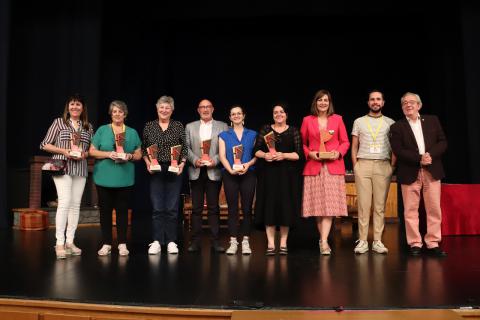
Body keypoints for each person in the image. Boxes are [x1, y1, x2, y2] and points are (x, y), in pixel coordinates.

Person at [389, 92, 447, 257]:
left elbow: (443, 142)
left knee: (434, 208)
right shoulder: (396, 127)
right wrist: (419, 159)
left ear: (419, 105)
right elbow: (398, 150)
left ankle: (433, 242)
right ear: (402, 107)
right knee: (410, 210)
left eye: (412, 102)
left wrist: (430, 155)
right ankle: (415, 243)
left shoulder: (432, 120)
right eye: (405, 103)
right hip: (409, 171)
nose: (408, 105)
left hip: (432, 170)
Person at [40, 94, 93, 259]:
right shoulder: (59, 122)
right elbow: (45, 144)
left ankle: (70, 242)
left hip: (80, 168)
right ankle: (59, 243)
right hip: (62, 166)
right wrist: (64, 151)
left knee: (75, 205)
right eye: (72, 104)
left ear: (83, 108)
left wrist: (84, 154)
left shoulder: (88, 126)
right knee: (64, 203)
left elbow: (90, 150)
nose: (75, 107)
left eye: (78, 104)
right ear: (68, 107)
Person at [89, 100, 142, 257]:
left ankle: (122, 244)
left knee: (122, 211)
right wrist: (108, 154)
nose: (117, 114)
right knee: (105, 211)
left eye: (120, 111)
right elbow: (92, 151)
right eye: (114, 111)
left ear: (125, 114)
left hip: (124, 178)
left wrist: (130, 155)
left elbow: (139, 153)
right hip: (103, 177)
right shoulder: (102, 130)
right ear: (111, 114)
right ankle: (106, 243)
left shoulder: (132, 132)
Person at [301, 89, 350, 255]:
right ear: (315, 103)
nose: (323, 103)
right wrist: (309, 153)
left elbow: (345, 142)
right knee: (318, 206)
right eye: (320, 100)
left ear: (330, 103)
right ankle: (323, 239)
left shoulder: (338, 119)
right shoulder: (307, 120)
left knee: (329, 206)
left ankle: (323, 241)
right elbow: (302, 143)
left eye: (326, 100)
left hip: (333, 166)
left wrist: (338, 152)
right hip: (314, 167)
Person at [254, 104, 303, 255]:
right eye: (275, 112)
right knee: (269, 207)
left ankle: (283, 243)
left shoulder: (294, 131)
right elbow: (256, 150)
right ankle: (270, 243)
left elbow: (299, 154)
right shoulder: (265, 129)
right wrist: (265, 155)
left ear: (286, 114)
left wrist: (283, 155)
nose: (279, 114)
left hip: (288, 177)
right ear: (272, 115)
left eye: (281, 112)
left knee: (286, 208)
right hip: (268, 175)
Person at [351, 90, 395, 254]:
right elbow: (354, 146)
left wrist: (392, 166)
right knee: (363, 205)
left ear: (383, 102)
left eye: (378, 99)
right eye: (372, 99)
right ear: (368, 102)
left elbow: (395, 147)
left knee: (379, 206)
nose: (375, 102)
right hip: (363, 164)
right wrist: (356, 165)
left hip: (383, 165)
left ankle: (377, 241)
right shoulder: (359, 121)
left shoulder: (390, 122)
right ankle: (362, 241)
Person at [142, 96, 187, 255]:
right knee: (157, 207)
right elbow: (143, 148)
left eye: (167, 107)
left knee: (172, 207)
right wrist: (148, 163)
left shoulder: (178, 125)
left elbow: (185, 148)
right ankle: (156, 241)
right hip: (156, 168)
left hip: (174, 168)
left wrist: (181, 164)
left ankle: (171, 241)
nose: (164, 110)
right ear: (157, 108)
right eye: (161, 107)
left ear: (172, 110)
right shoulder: (149, 126)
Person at [185, 99, 229, 253]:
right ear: (198, 110)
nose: (205, 109)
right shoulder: (189, 127)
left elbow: (225, 148)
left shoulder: (223, 126)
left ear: (213, 109)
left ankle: (215, 242)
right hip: (195, 171)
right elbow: (186, 148)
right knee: (196, 209)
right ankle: (195, 242)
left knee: (213, 208)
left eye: (208, 107)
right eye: (202, 107)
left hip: (213, 171)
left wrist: (214, 161)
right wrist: (195, 160)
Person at [218, 105, 257, 255]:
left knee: (247, 209)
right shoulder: (224, 135)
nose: (236, 116)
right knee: (232, 209)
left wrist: (248, 165)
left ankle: (246, 241)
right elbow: (221, 155)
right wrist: (230, 170)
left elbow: (257, 155)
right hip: (230, 174)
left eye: (239, 113)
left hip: (249, 173)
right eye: (233, 114)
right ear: (230, 117)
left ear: (244, 116)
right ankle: (233, 241)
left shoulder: (253, 134)